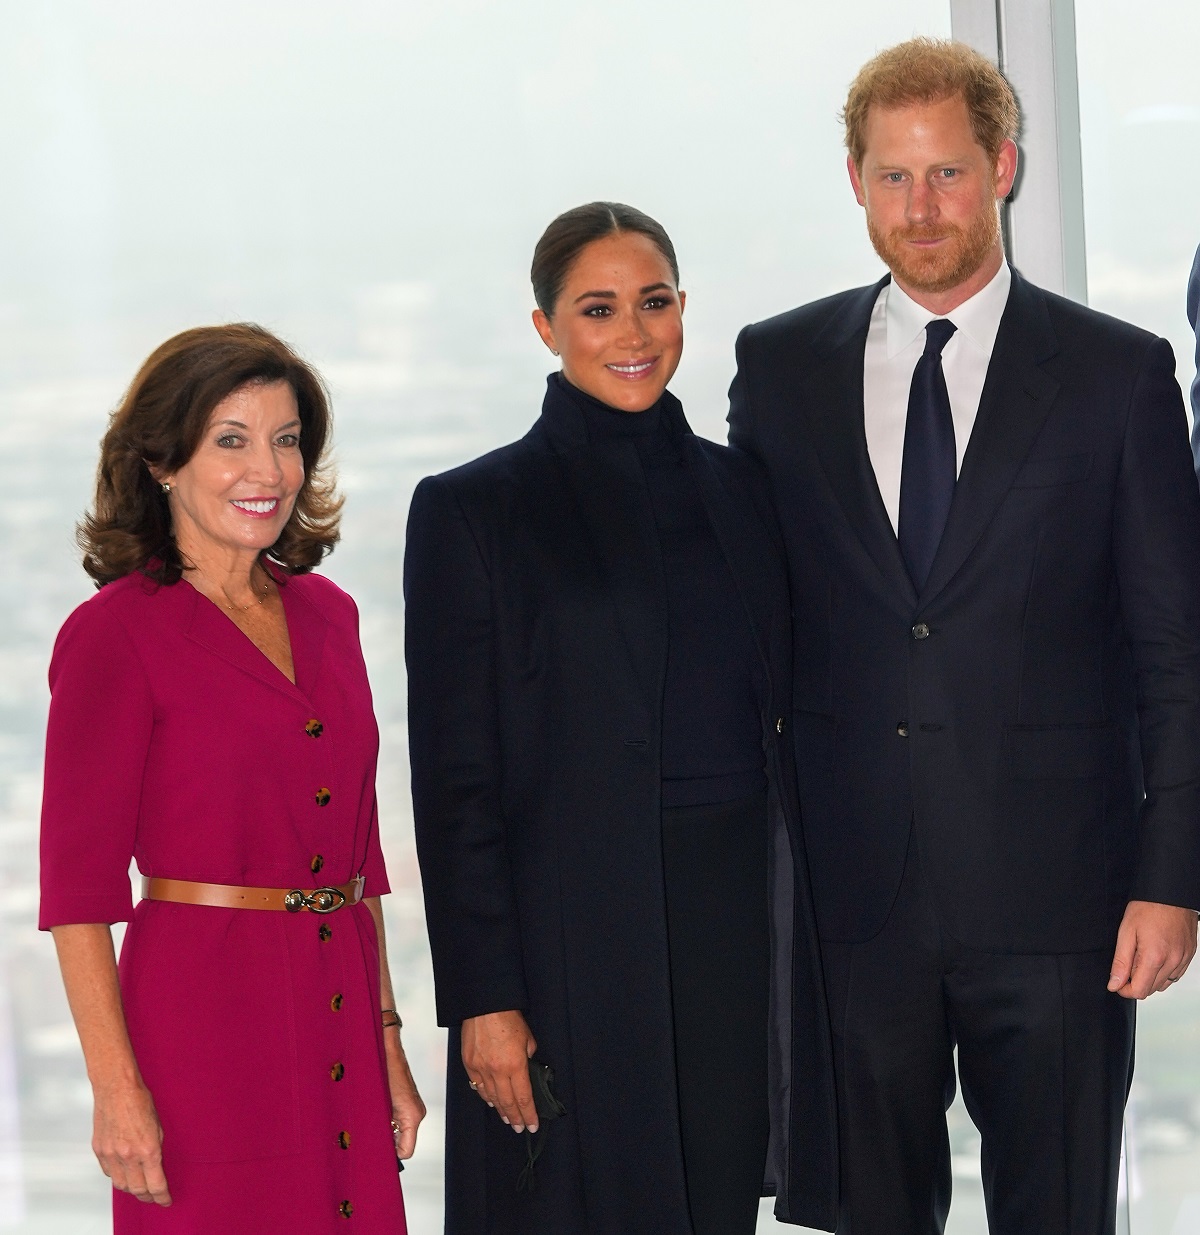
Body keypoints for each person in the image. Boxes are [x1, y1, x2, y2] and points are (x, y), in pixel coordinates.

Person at [728, 38, 1200, 1235]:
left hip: (1063, 901)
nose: (920, 206)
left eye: (945, 174)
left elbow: (1176, 654)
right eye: (894, 177)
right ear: (855, 181)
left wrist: (1173, 880)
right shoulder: (778, 369)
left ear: (1004, 167)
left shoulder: (1118, 376)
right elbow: (753, 623)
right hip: (852, 904)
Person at [405, 202, 836, 1235]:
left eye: (654, 303)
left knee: (717, 1199)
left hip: (738, 929)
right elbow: (453, 782)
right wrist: (484, 998)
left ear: (685, 307)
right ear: (547, 326)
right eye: (597, 310)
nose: (634, 334)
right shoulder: (475, 510)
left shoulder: (747, 490)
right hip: (572, 944)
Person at [39, 324, 425, 1231]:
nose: (269, 470)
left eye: (287, 439)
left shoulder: (330, 616)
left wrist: (388, 1039)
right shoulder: (112, 635)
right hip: (202, 1028)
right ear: (163, 462)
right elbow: (78, 893)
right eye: (231, 440)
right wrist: (115, 1089)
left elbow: (359, 858)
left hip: (340, 1005)